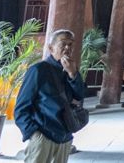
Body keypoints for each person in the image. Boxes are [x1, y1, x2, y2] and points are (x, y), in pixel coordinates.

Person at [14, 28, 87, 163]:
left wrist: (73, 74)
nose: (67, 47)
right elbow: (21, 108)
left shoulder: (70, 69)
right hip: (43, 135)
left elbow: (80, 95)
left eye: (70, 44)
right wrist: (33, 133)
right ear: (51, 47)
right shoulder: (38, 70)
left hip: (65, 136)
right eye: (63, 43)